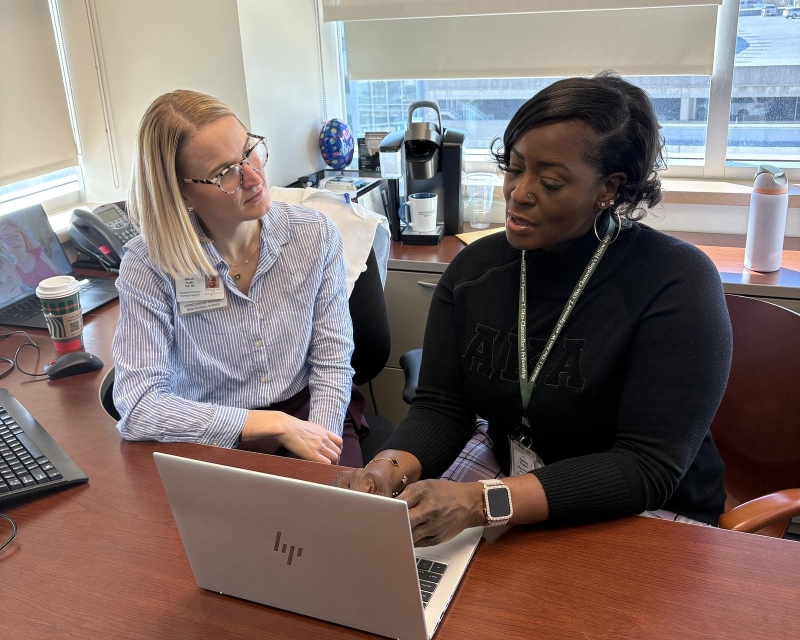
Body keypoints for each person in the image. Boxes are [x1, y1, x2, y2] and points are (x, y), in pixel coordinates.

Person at [336, 73, 733, 544]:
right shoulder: (474, 272)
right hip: (509, 481)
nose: (518, 193)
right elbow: (443, 408)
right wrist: (385, 471)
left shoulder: (676, 283)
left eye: (549, 182)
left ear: (609, 187)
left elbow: (644, 466)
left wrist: (481, 502)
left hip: (648, 506)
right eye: (513, 167)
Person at [113, 90, 363, 466]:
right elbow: (138, 405)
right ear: (181, 191)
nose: (253, 176)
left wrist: (319, 446)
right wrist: (266, 424)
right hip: (209, 433)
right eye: (224, 172)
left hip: (311, 411)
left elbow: (331, 360)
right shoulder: (149, 265)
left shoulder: (314, 235)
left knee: (337, 518)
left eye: (249, 151)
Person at [0, 219, 59, 288]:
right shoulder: (14, 270)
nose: (14, 241)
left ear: (24, 238)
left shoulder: (38, 253)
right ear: (3, 247)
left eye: (16, 235)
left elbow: (58, 274)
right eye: (7, 238)